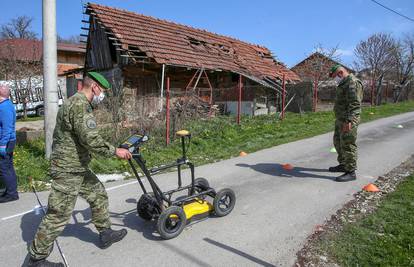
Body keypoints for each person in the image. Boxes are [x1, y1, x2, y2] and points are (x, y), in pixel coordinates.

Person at [27, 72, 133, 267]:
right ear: (94, 87)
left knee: (98, 194)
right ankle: (36, 258)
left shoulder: (73, 102)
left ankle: (105, 232)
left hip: (77, 166)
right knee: (59, 213)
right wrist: (115, 151)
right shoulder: (80, 106)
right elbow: (91, 139)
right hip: (68, 169)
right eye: (103, 91)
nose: (103, 96)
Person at [328, 65, 363, 182]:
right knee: (338, 141)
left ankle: (351, 171)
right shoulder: (343, 83)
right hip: (341, 119)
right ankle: (343, 164)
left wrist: (349, 121)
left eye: (334, 77)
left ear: (340, 73)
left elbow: (355, 104)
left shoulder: (352, 83)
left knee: (348, 144)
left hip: (348, 120)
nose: (334, 80)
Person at [0, 84, 18, 203]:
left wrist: (2, 145)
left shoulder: (4, 107)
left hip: (6, 142)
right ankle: (11, 190)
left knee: (4, 168)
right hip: (8, 141)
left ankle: (12, 194)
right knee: (8, 167)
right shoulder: (6, 104)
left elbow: (7, 128)